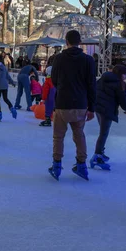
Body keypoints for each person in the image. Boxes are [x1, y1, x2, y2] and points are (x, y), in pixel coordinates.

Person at [48, 30, 96, 181]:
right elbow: (91, 85)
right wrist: (92, 107)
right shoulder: (88, 60)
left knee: (58, 136)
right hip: (81, 104)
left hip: (62, 103)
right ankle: (81, 164)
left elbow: (54, 80)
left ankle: (56, 164)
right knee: (79, 135)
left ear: (66, 41)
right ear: (79, 42)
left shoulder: (59, 58)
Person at [89, 64, 126, 170]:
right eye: (125, 74)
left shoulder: (103, 79)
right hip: (107, 110)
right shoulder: (119, 84)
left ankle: (100, 152)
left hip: (99, 108)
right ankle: (97, 156)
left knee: (103, 132)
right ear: (120, 74)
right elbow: (124, 101)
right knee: (103, 134)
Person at [0, 55, 16, 121]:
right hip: (5, 85)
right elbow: (7, 76)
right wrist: (12, 82)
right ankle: (12, 108)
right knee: (5, 98)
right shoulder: (4, 67)